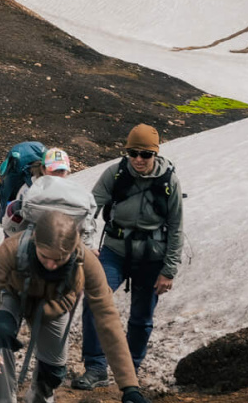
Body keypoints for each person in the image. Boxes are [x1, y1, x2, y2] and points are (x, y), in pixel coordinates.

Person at [0, 210, 158, 403]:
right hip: (13, 295)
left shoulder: (86, 261)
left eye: (59, 259)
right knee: (0, 339)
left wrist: (129, 386)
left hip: (56, 304)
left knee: (54, 370)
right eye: (44, 256)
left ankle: (40, 402)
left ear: (73, 250)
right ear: (35, 241)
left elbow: (107, 319)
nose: (50, 265)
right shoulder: (12, 248)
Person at [76, 125, 184, 389]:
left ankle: (131, 369)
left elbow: (177, 225)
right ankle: (96, 367)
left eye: (145, 154)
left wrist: (169, 270)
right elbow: (88, 209)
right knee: (94, 298)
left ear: (155, 154)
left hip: (153, 256)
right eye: (133, 152)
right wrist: (87, 244)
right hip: (115, 250)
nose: (138, 159)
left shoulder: (169, 181)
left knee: (142, 316)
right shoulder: (115, 174)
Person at [0, 148, 72, 238]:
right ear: (43, 169)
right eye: (54, 170)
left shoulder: (69, 189)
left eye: (62, 171)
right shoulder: (28, 190)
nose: (58, 175)